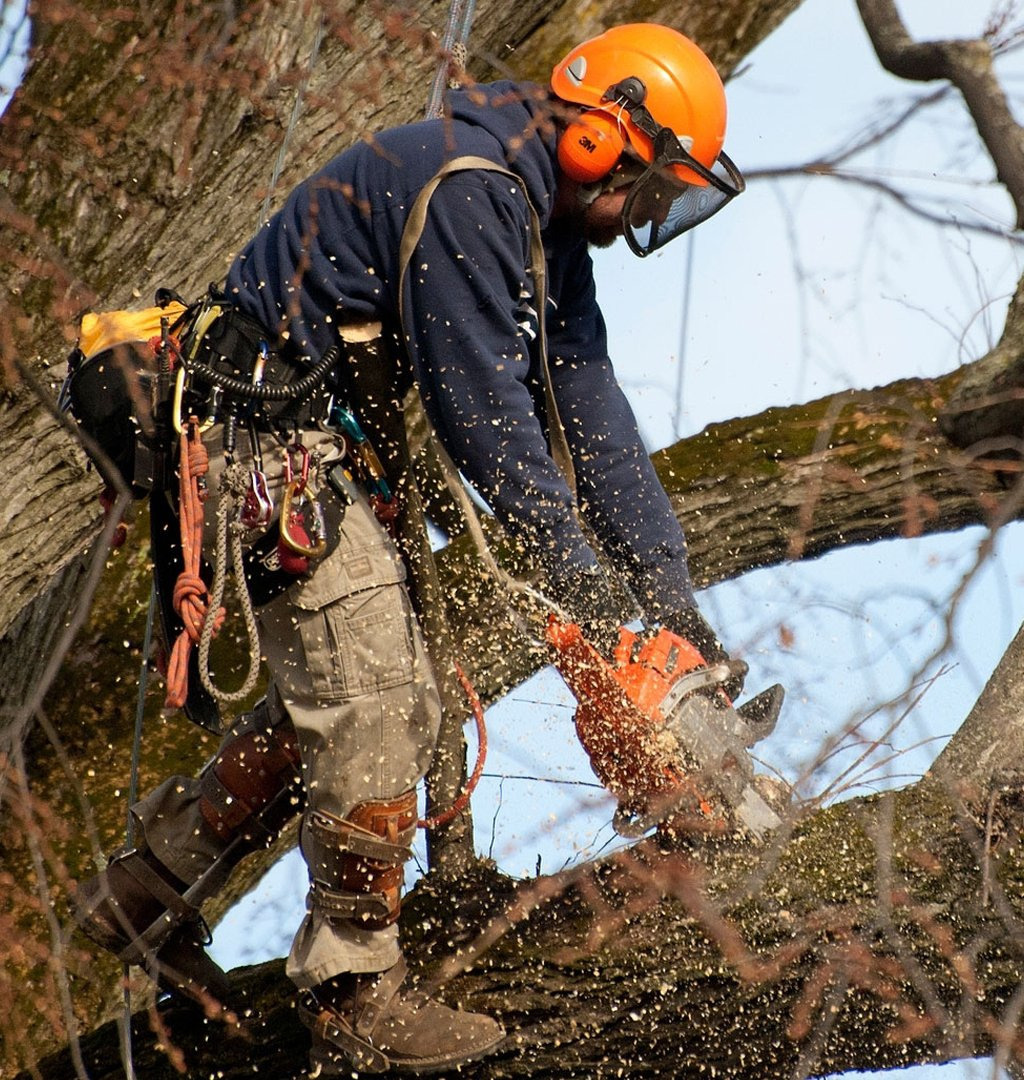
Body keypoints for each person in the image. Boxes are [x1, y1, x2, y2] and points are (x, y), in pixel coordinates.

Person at [73, 22, 750, 1075]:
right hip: (260, 440)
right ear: (602, 135)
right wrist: (576, 581)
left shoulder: (541, 223)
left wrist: (671, 601)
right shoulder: (473, 187)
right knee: (375, 694)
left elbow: (588, 405)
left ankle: (147, 887)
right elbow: (487, 415)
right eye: (649, 187)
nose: (644, 217)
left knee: (397, 695)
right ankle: (353, 988)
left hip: (319, 450)